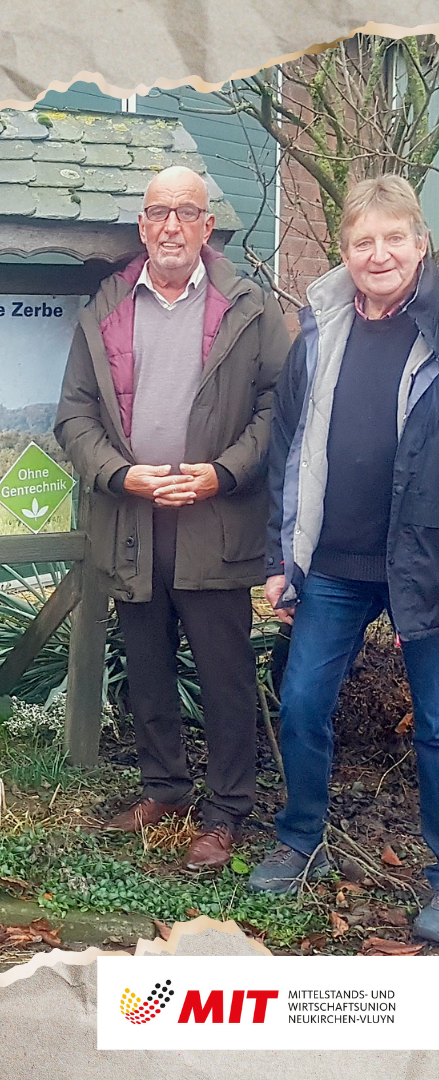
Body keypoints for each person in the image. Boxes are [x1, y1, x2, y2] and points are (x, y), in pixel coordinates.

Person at [55, 165, 290, 871]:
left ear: (207, 225)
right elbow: (74, 414)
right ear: (142, 225)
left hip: (214, 527)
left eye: (187, 212)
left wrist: (224, 473)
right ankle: (165, 788)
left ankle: (225, 812)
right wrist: (120, 474)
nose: (171, 226)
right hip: (132, 525)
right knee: (149, 668)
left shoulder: (248, 308)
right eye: (159, 212)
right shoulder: (106, 309)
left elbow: (280, 408)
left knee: (224, 676)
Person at [251, 176, 439, 941]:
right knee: (301, 705)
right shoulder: (320, 332)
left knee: (436, 725)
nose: (379, 253)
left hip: (425, 564)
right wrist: (279, 556)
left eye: (394, 238)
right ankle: (301, 839)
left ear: (420, 245)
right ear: (345, 252)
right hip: (331, 564)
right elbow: (287, 451)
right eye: (364, 241)